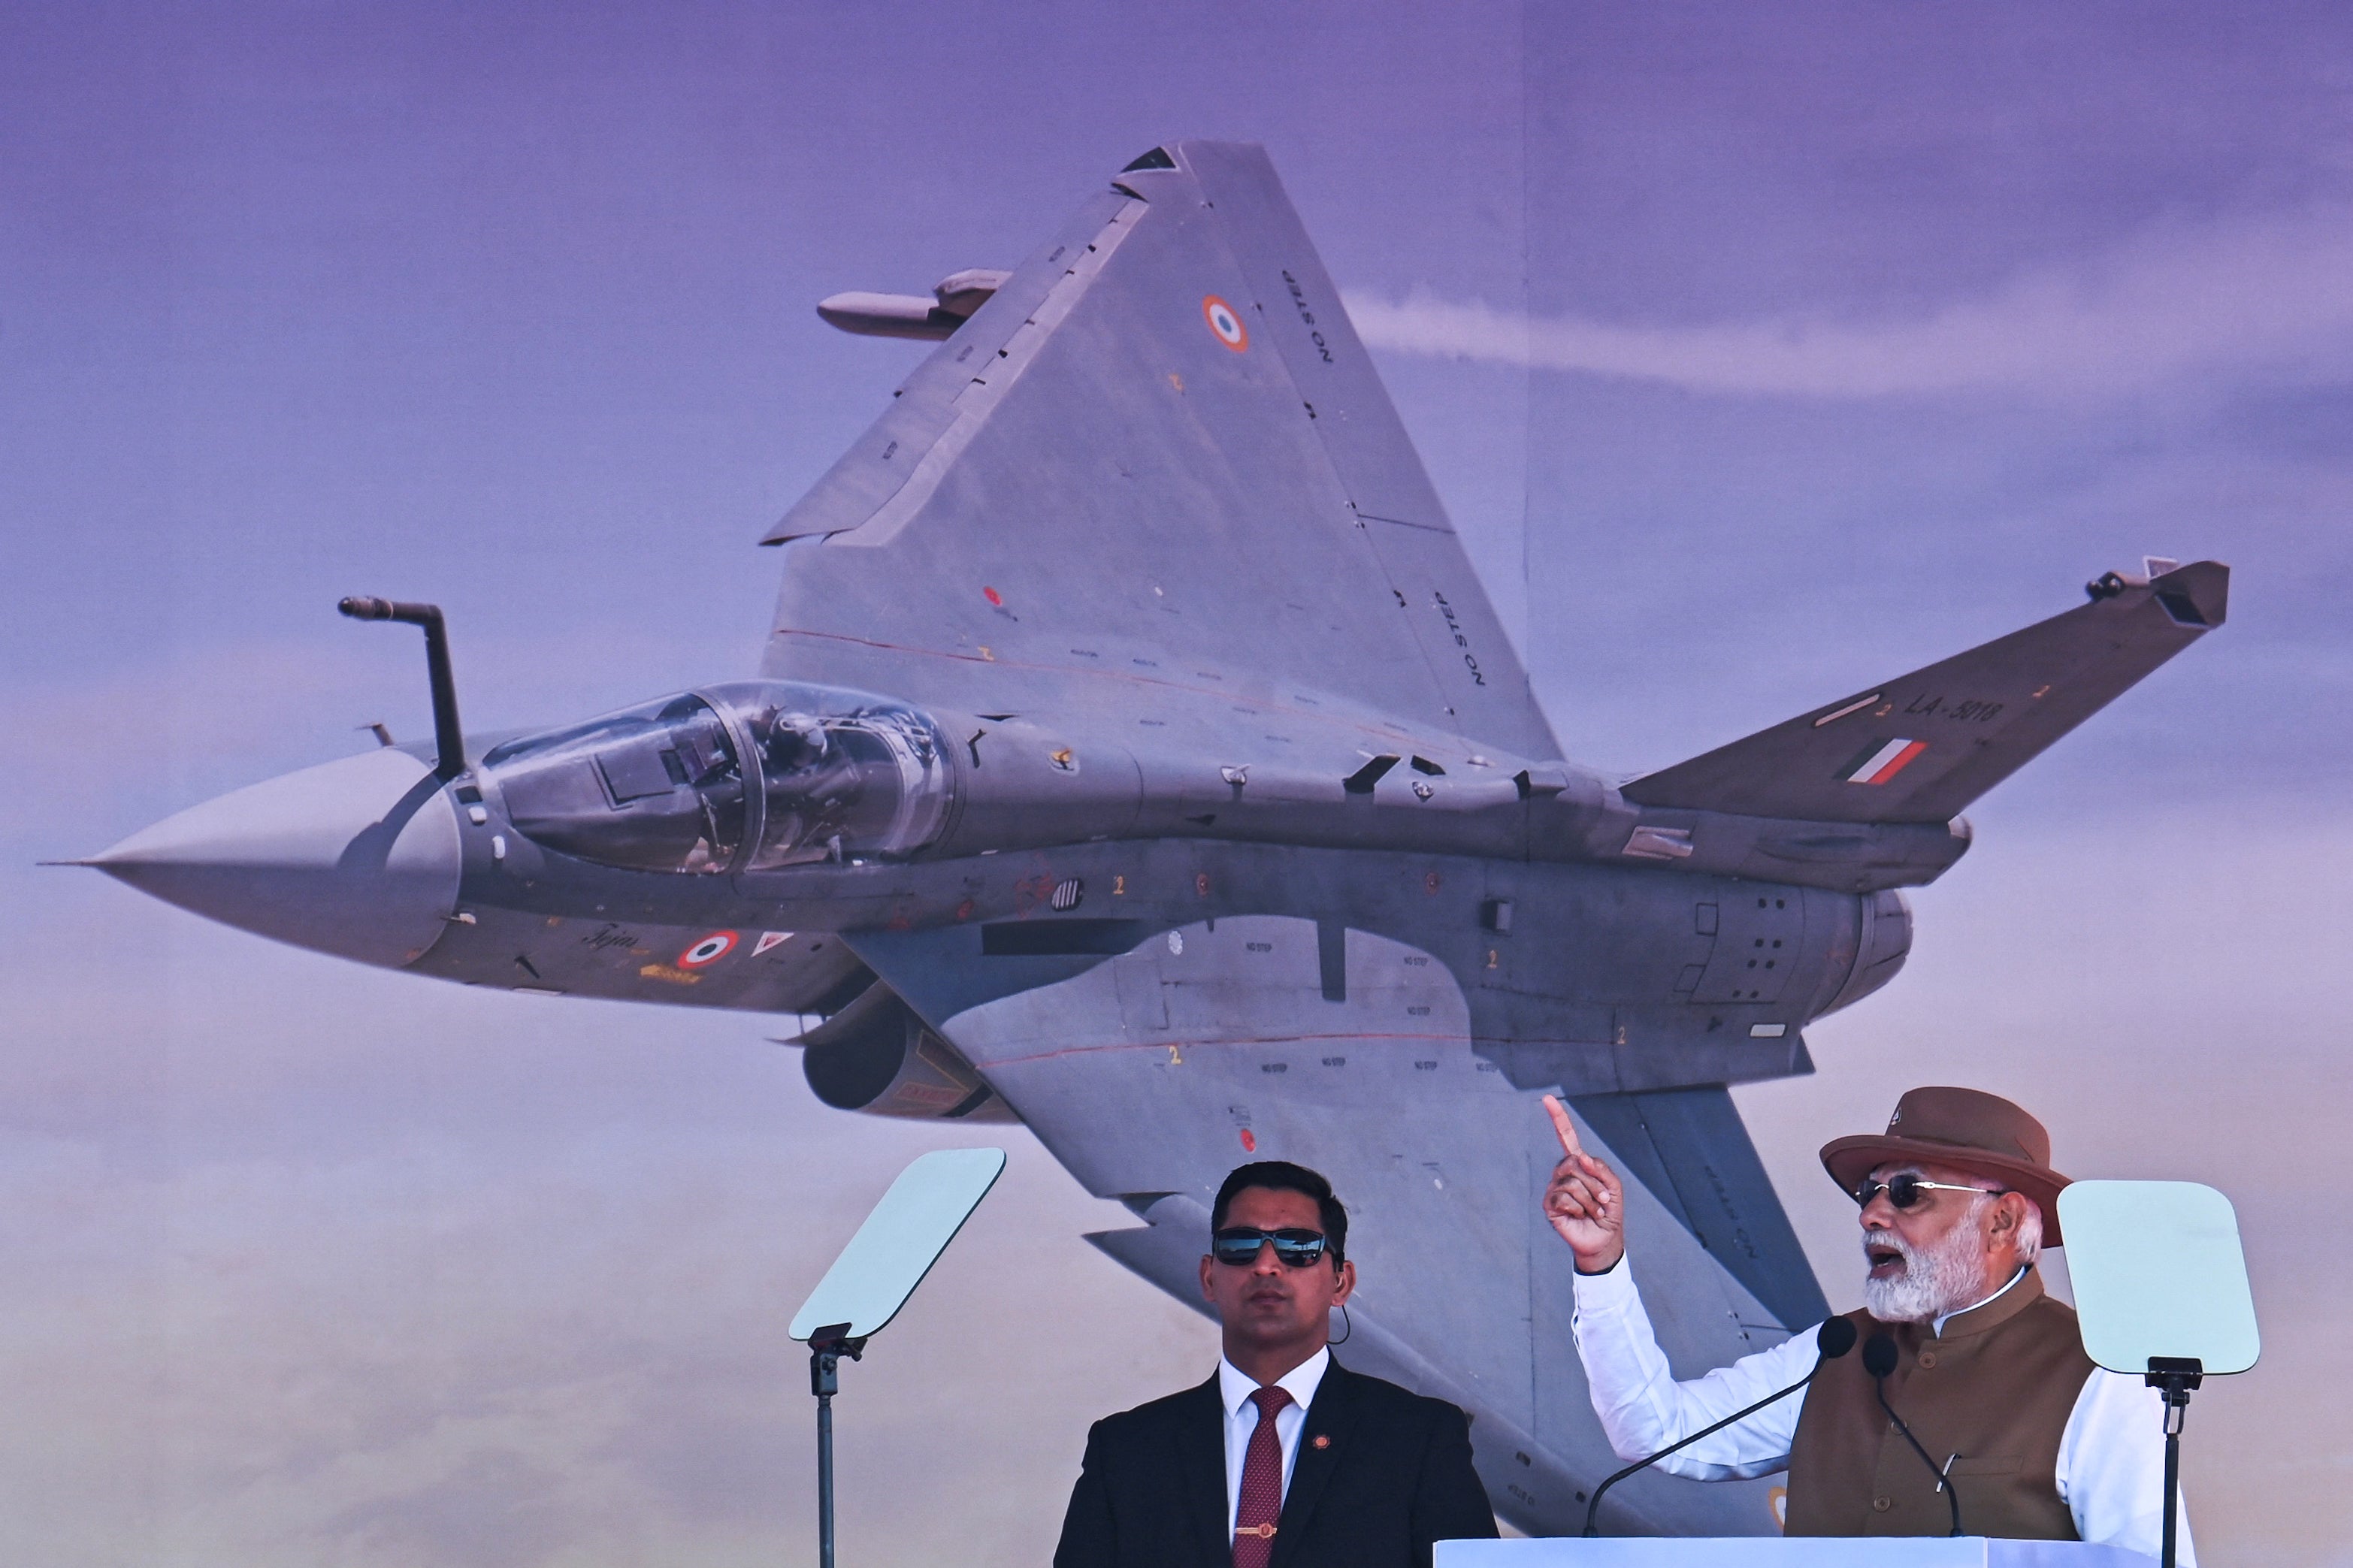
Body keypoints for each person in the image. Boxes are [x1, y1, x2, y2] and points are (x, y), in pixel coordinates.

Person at [1542, 1086, 2193, 1558]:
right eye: (1868, 1192)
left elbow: (2148, 1564)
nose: (1871, 1215)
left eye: (1906, 1191)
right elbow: (1655, 1431)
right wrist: (1599, 1264)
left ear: (1999, 1220)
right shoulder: (1838, 1349)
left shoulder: (2097, 1372)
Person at [1054, 1160, 1498, 1568]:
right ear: (1209, 1276)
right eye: (1241, 1246)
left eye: (1298, 1247)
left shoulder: (1418, 1440)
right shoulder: (1127, 1450)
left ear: (1341, 1282)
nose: (1266, 1266)